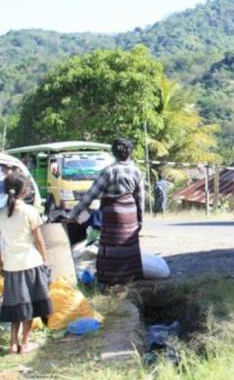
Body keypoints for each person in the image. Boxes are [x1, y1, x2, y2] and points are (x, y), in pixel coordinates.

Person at [68, 138, 144, 285]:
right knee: (129, 247)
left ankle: (110, 280)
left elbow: (90, 196)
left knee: (111, 248)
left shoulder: (108, 171)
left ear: (114, 153)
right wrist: (140, 220)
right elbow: (140, 199)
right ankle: (129, 279)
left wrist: (73, 214)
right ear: (130, 152)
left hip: (113, 216)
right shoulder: (136, 171)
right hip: (130, 215)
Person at [0, 172, 52, 354]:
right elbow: (39, 240)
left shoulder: (1, 214)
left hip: (11, 267)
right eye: (28, 187)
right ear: (24, 191)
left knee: (15, 306)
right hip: (31, 264)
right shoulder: (30, 212)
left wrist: (2, 261)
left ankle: (13, 344)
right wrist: (45, 259)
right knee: (30, 305)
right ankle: (25, 343)